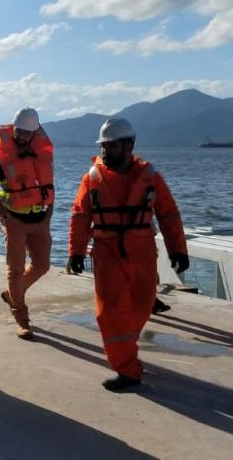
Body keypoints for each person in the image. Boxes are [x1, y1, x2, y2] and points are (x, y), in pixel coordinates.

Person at [68, 118, 189, 391]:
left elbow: (168, 214)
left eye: (111, 146)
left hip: (142, 251)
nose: (105, 151)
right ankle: (127, 369)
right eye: (103, 146)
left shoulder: (151, 177)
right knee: (110, 313)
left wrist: (178, 249)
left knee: (142, 305)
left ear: (129, 145)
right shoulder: (91, 179)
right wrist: (76, 251)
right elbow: (80, 215)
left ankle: (126, 351)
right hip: (107, 252)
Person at [0, 107, 54, 340]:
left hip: (40, 219)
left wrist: (49, 213)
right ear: (13, 128)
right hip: (14, 219)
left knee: (42, 265)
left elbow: (49, 185)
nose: (23, 135)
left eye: (28, 132)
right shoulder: (0, 156)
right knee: (15, 269)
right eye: (20, 131)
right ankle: (21, 319)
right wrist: (3, 214)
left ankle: (11, 294)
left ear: (34, 132)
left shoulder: (42, 153)